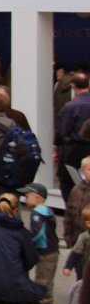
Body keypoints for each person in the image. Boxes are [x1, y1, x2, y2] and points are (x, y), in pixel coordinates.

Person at [19, 182, 59, 304]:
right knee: (47, 277)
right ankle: (44, 299)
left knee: (43, 277)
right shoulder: (47, 210)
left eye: (27, 195)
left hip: (45, 250)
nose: (25, 198)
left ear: (37, 197)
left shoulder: (37, 213)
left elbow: (37, 232)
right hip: (51, 249)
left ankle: (44, 303)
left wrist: (28, 242)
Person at [58, 74, 90, 202]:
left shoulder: (71, 106)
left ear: (73, 86)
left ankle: (74, 209)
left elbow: (63, 130)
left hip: (74, 149)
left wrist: (57, 145)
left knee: (68, 182)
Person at [65, 156, 90, 249]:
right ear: (83, 171)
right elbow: (68, 214)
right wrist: (68, 237)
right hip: (76, 238)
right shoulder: (76, 190)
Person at [64, 206, 90, 281]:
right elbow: (75, 253)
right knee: (82, 286)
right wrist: (68, 266)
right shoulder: (84, 237)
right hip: (84, 268)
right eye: (87, 221)